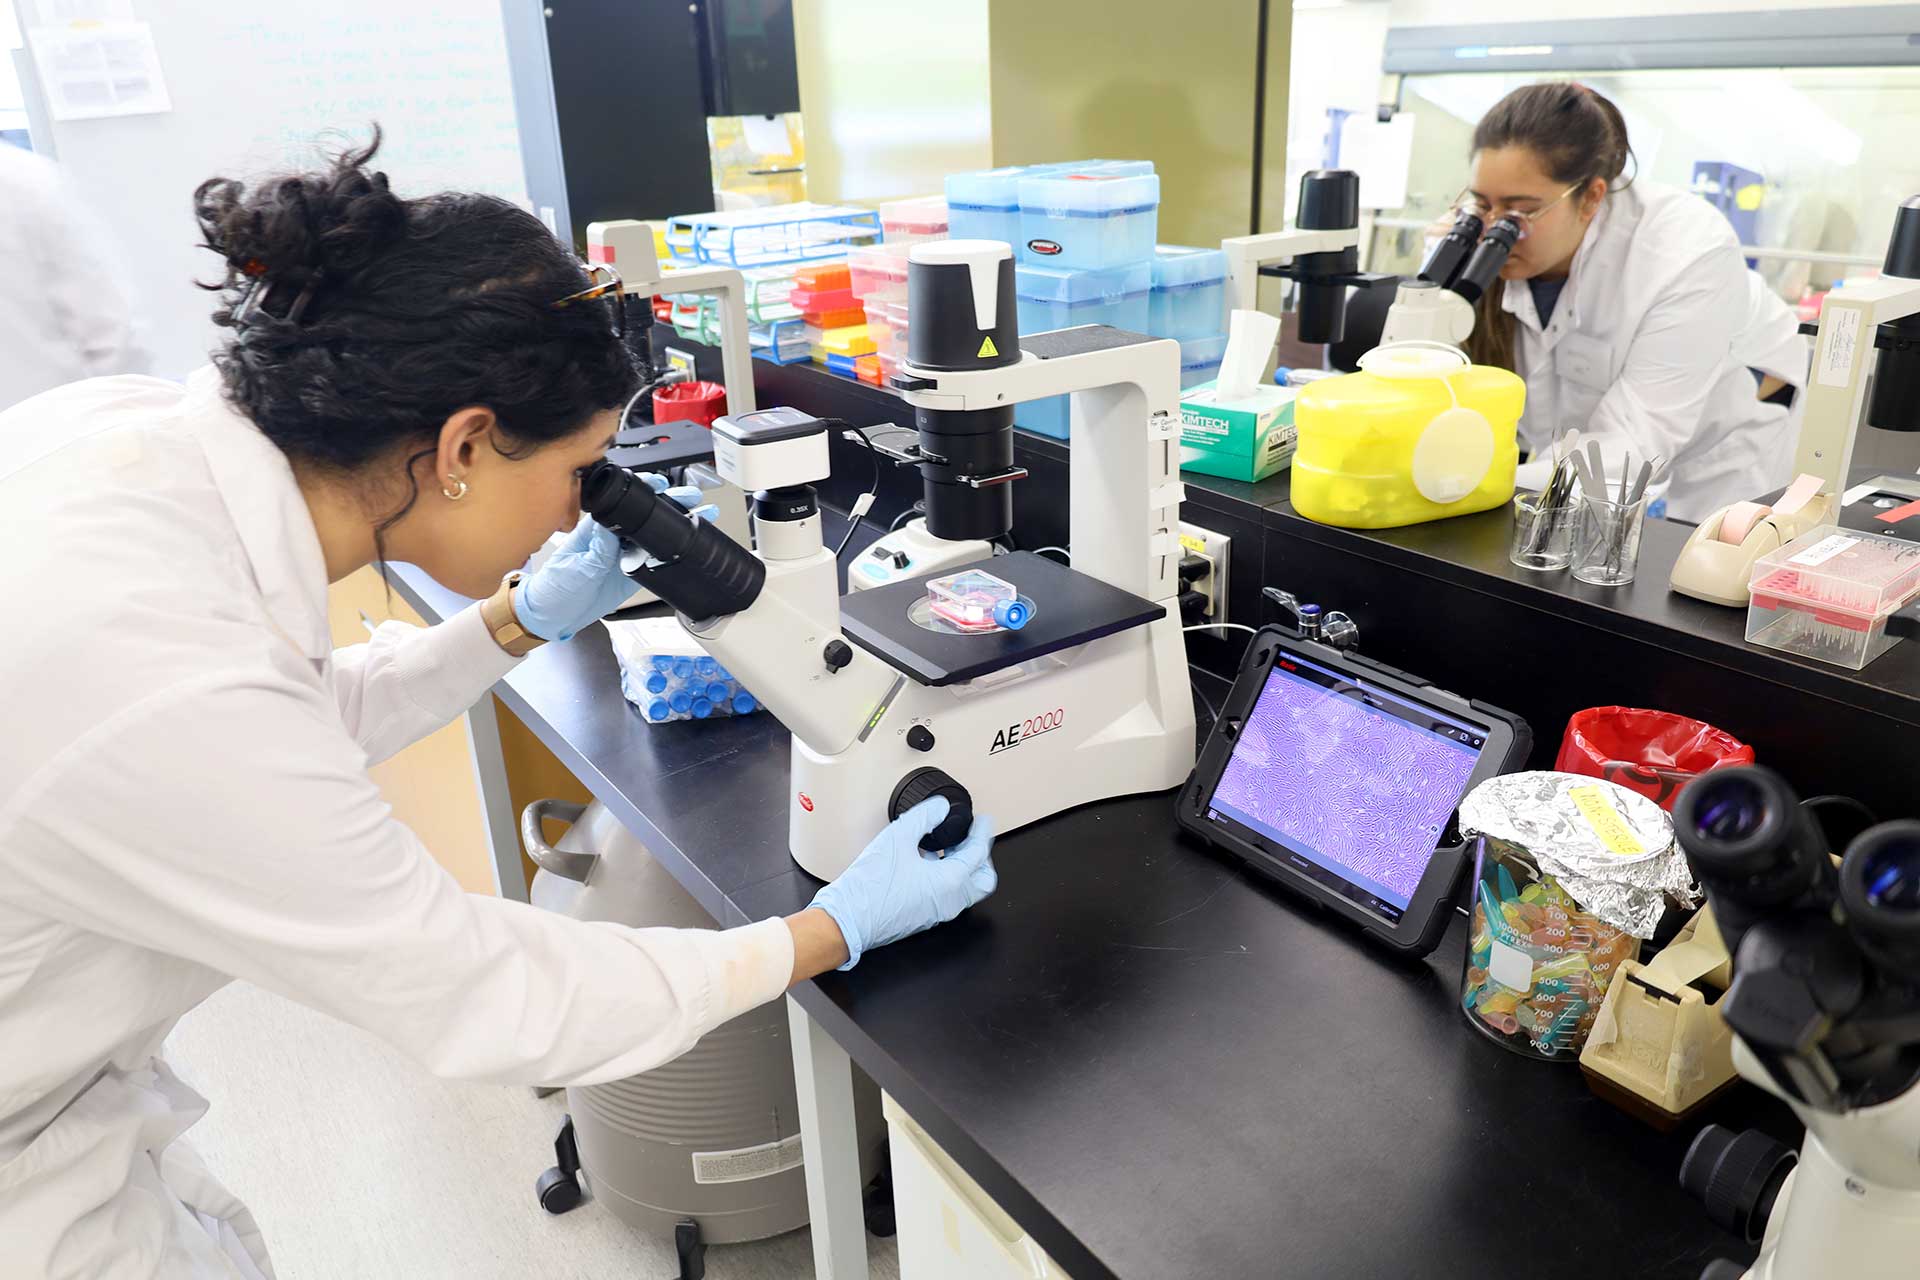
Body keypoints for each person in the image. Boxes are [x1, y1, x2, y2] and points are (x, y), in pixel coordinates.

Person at [0, 134, 997, 1279]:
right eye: (581, 469)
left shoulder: (132, 441)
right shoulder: (159, 675)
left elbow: (283, 723)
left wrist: (515, 619)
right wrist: (829, 931)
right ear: (465, 443)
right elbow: (484, 989)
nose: (585, 507)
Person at [1458, 82, 1807, 523]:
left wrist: (1475, 488)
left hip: (1723, 444)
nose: (1494, 227)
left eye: (1520, 211)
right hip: (1586, 446)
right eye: (1482, 203)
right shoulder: (1485, 236)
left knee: (1696, 572)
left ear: (1591, 198)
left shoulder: (1684, 250)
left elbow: (1634, 442)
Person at [0, 141, 151, 412]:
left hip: (49, 420)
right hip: (49, 425)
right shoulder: (26, 180)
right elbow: (113, 330)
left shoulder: (25, 181)